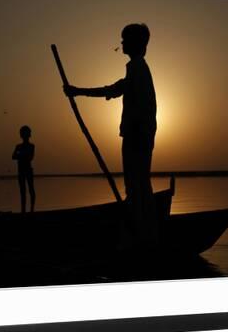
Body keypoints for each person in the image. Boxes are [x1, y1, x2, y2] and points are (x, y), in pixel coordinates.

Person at [64, 23, 158, 247]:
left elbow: (116, 91)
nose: (122, 44)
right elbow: (116, 89)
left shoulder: (138, 69)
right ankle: (144, 226)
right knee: (139, 185)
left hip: (137, 136)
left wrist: (78, 92)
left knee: (137, 186)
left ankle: (142, 233)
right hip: (140, 135)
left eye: (125, 40)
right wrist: (79, 92)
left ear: (136, 43)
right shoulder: (136, 69)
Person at [12, 125, 36, 213]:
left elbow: (30, 157)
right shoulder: (18, 146)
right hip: (21, 171)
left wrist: (21, 155)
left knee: (31, 189)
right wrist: (23, 155)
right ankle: (23, 210)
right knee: (22, 191)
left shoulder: (31, 146)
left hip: (28, 170)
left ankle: (32, 209)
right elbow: (13, 156)